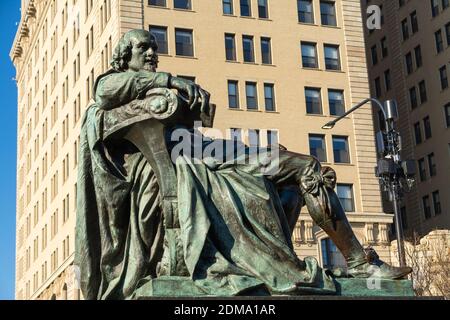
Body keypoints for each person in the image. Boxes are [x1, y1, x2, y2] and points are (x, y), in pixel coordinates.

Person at [75, 30, 411, 300]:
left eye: (153, 48)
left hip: (211, 155)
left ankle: (359, 265)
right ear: (124, 58)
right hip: (191, 166)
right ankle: (301, 263)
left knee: (307, 169)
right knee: (279, 178)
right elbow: (104, 91)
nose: (151, 53)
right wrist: (170, 81)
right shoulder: (115, 87)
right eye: (142, 48)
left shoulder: (151, 93)